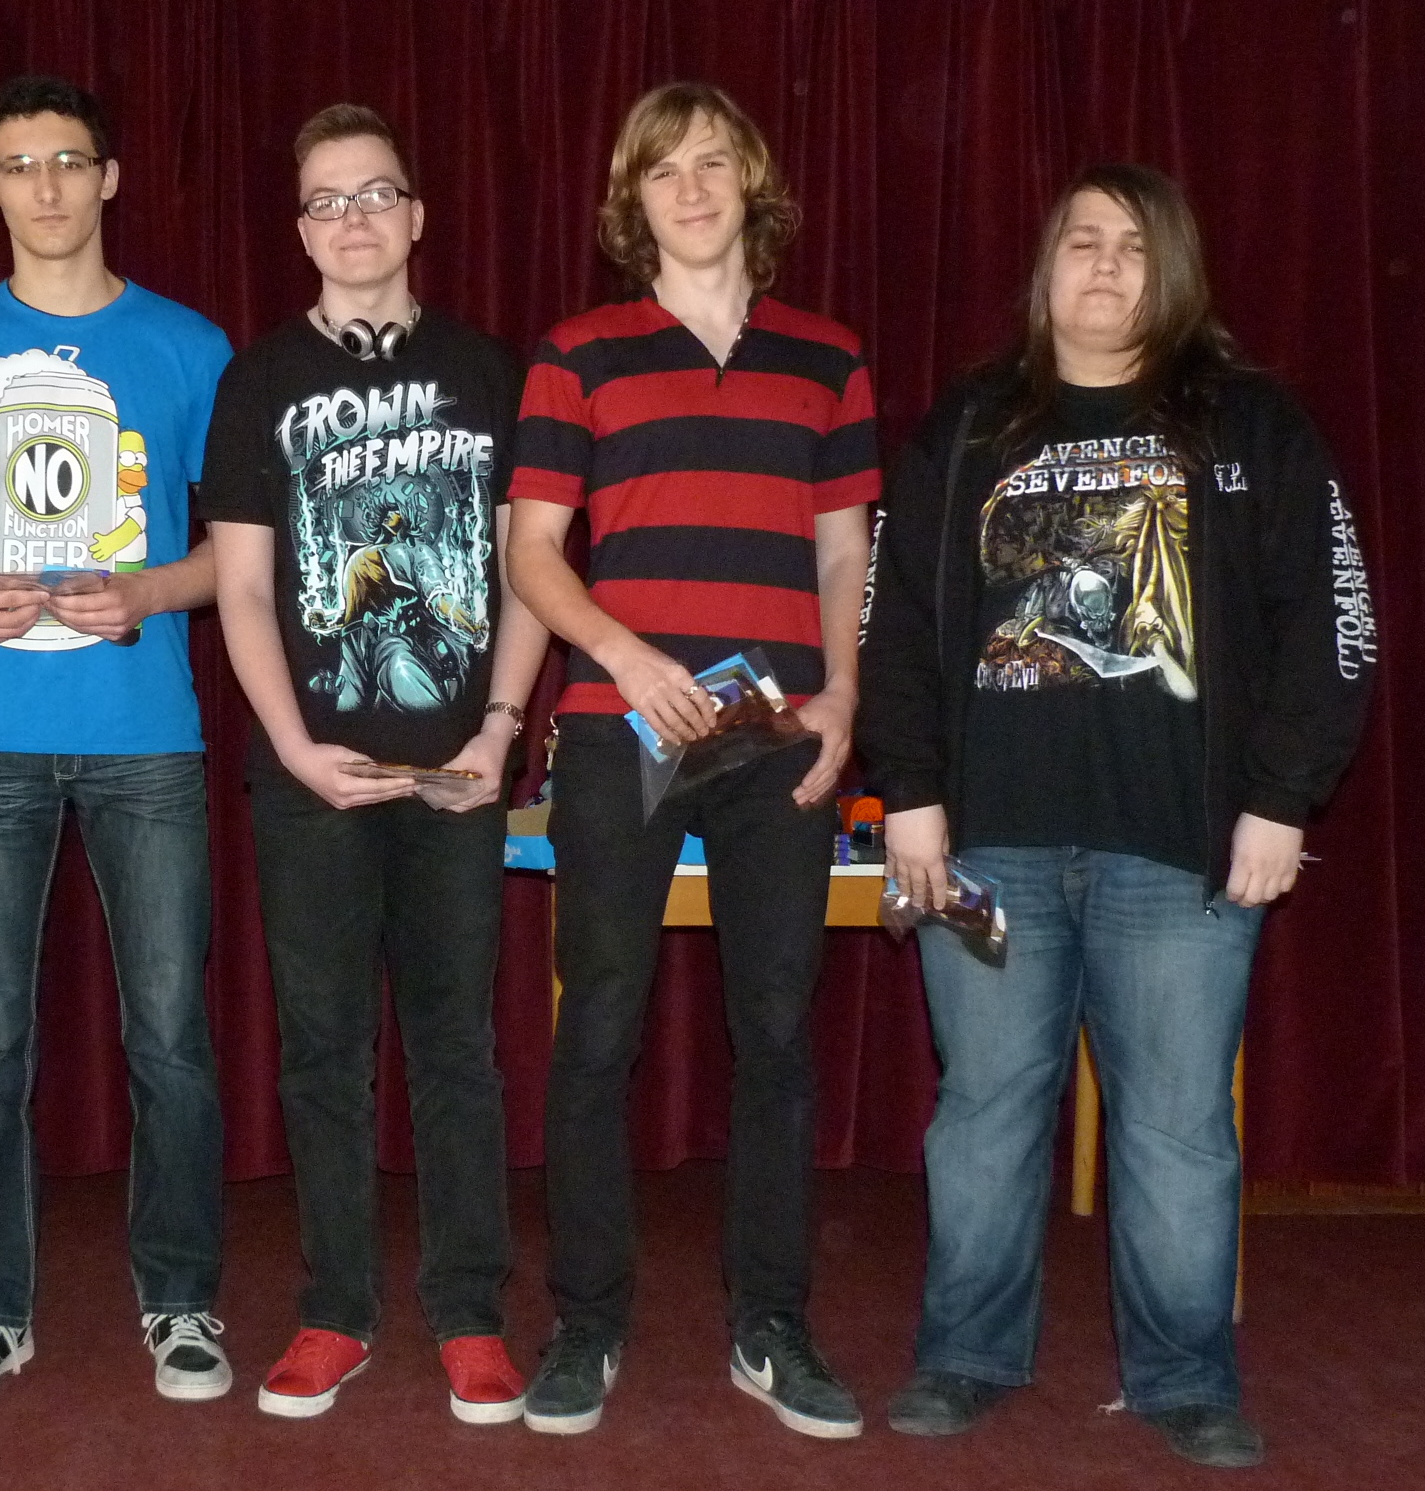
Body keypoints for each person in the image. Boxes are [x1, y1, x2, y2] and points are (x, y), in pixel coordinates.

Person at [857, 163, 1378, 1471]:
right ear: (1044, 268)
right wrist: (908, 796)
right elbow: (893, 626)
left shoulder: (1252, 425)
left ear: (1174, 275)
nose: (1102, 265)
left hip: (1181, 854)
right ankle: (966, 1354)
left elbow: (1331, 628)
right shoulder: (969, 425)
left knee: (1177, 1127)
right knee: (984, 1110)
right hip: (987, 846)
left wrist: (1280, 801)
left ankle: (1186, 1377)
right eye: (1081, 241)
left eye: (1133, 247)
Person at [506, 82, 876, 1438]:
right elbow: (530, 553)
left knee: (775, 1030)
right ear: (633, 201)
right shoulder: (576, 354)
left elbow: (844, 553)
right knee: (597, 1027)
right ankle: (586, 1322)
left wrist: (843, 697)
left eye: (713, 162)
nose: (692, 188)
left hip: (777, 736)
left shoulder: (829, 358)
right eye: (663, 169)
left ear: (750, 182)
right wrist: (627, 657)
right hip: (623, 729)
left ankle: (771, 1324)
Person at [0, 75, 233, 1410]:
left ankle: (183, 1301)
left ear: (109, 177)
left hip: (147, 735)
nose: (46, 187)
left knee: (171, 1039)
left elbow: (240, 553)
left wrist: (148, 590)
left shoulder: (189, 347)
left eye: (69, 162)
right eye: (20, 166)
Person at [202, 104, 547, 1424]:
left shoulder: (488, 370)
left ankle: (468, 1314)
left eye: (376, 193)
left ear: (416, 217)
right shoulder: (259, 381)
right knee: (323, 1050)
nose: (353, 218)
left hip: (455, 771)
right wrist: (294, 750)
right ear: (301, 231)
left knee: (457, 1046)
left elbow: (524, 566)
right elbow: (242, 589)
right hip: (312, 780)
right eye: (326, 200)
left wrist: (497, 732)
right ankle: (336, 1309)